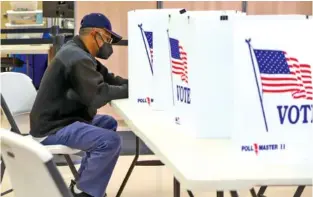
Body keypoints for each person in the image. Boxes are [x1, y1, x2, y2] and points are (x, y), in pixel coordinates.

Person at [29, 13, 128, 197]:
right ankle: (86, 192)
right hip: (52, 128)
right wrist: (132, 91)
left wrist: (137, 86)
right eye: (107, 38)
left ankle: (83, 184)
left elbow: (110, 79)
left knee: (108, 122)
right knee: (110, 141)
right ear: (95, 34)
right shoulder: (76, 57)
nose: (109, 44)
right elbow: (98, 94)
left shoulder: (80, 52)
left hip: (63, 119)